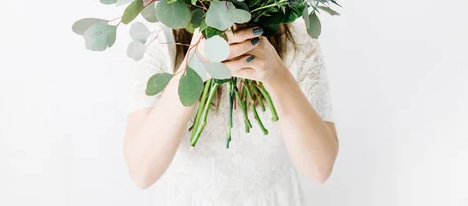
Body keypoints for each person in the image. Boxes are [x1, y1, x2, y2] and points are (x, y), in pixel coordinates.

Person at [123, 19, 339, 205]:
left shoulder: (298, 42)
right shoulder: (160, 42)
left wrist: (276, 75)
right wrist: (194, 67)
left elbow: (319, 169)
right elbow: (142, 173)